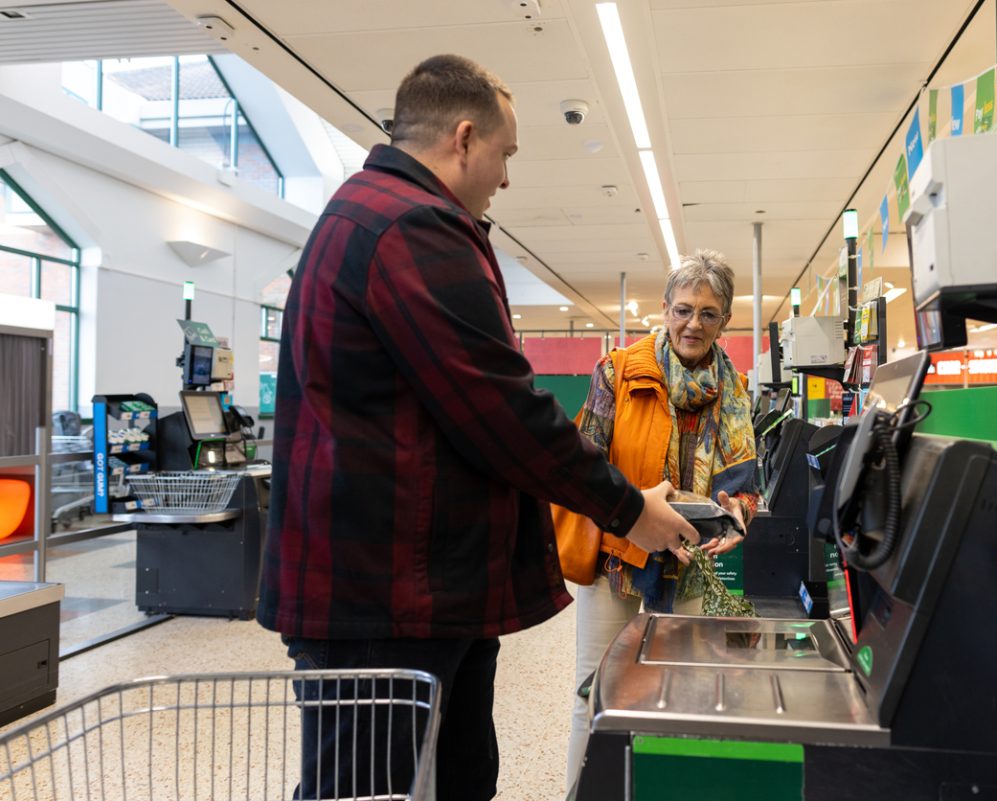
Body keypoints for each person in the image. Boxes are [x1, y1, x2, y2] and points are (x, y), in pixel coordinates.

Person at [256, 54, 698, 801]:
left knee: (454, 780)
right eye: (505, 155)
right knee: (369, 792)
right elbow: (502, 408)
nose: (505, 176)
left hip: (410, 591)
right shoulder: (410, 228)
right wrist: (627, 509)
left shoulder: (375, 215)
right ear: (464, 138)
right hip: (384, 602)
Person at [553, 249, 760, 786]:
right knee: (595, 691)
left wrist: (738, 519)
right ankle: (583, 794)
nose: (694, 323)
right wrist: (633, 507)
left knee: (686, 691)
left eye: (708, 313)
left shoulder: (732, 391)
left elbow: (741, 479)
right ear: (665, 309)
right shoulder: (617, 372)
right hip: (617, 555)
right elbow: (585, 460)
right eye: (684, 309)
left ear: (726, 321)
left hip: (690, 558)